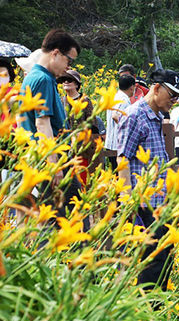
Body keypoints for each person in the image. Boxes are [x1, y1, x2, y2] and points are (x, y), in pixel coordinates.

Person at [117, 69, 179, 289]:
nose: (175, 101)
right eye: (172, 95)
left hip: (161, 201)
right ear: (156, 88)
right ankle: (147, 307)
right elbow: (123, 158)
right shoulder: (134, 115)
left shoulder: (157, 116)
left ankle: (156, 308)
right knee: (152, 259)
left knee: (164, 255)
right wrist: (127, 200)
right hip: (144, 202)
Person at [18, 29, 81, 217]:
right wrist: (54, 165)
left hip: (42, 159)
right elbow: (42, 124)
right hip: (52, 161)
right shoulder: (43, 79)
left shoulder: (35, 77)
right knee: (70, 220)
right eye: (69, 60)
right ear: (55, 53)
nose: (69, 67)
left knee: (53, 218)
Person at [58, 69, 96, 185]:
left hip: (81, 147)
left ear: (76, 84)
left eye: (69, 80)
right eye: (63, 80)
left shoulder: (84, 100)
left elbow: (93, 124)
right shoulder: (61, 100)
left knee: (81, 179)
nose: (65, 82)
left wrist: (81, 134)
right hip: (65, 145)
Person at [105, 74, 135, 169]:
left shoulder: (116, 96)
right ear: (132, 87)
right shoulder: (123, 99)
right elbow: (115, 116)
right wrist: (129, 128)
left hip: (111, 143)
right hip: (117, 145)